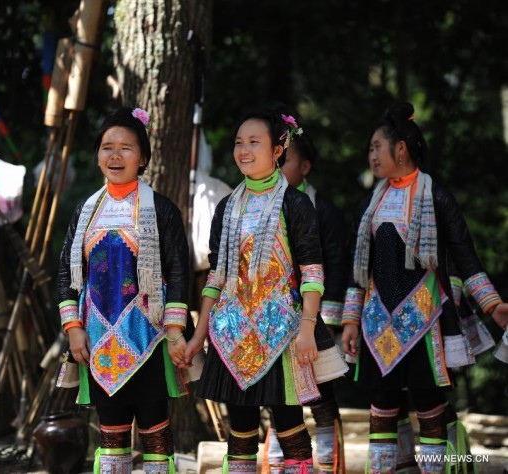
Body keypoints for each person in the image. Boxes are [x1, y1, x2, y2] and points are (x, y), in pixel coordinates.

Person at [341, 102, 508, 474]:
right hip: (376, 322)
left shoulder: (437, 197)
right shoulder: (371, 202)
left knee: (429, 404)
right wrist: (350, 322)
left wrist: (493, 305)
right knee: (382, 406)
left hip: (426, 318)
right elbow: (359, 269)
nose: (371, 155)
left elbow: (466, 257)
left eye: (375, 147)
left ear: (400, 149)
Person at [185, 107, 325, 474]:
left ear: (278, 150)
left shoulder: (296, 204)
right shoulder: (227, 207)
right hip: (231, 334)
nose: (244, 150)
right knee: (240, 427)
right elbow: (216, 278)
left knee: (289, 420)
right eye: (238, 143)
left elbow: (311, 271)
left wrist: (308, 328)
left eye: (254, 142)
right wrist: (198, 337)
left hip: (283, 332)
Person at [57, 107, 190, 474]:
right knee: (111, 432)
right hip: (96, 340)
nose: (115, 155)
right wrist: (73, 329)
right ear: (97, 155)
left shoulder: (161, 210)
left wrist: (176, 331)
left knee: (154, 430)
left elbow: (179, 271)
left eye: (126, 148)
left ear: (143, 157)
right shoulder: (85, 211)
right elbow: (67, 275)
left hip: (150, 337)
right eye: (107, 147)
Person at [262, 129, 349, 474]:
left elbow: (337, 263)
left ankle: (328, 459)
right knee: (277, 391)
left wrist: (329, 319)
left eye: (287, 160)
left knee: (322, 391)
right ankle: (279, 460)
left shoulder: (321, 209)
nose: (280, 166)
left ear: (306, 167)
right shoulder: (260, 206)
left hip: (316, 316)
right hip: (272, 317)